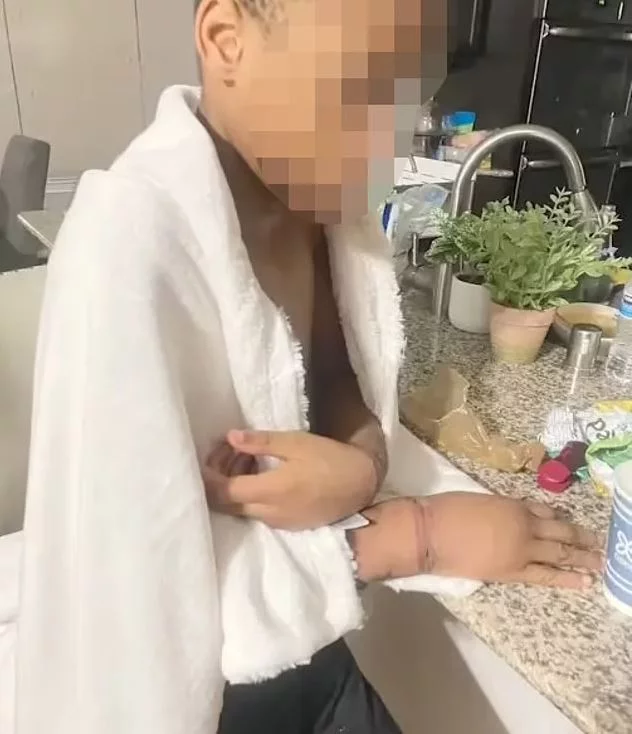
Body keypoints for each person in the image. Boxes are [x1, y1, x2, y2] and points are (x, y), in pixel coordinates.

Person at [15, 1, 601, 733]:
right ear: (226, 39)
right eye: (356, 92)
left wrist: (360, 469)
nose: (384, 148)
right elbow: (133, 592)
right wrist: (417, 535)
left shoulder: (320, 203)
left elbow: (337, 379)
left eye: (408, 101)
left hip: (308, 659)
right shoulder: (125, 247)